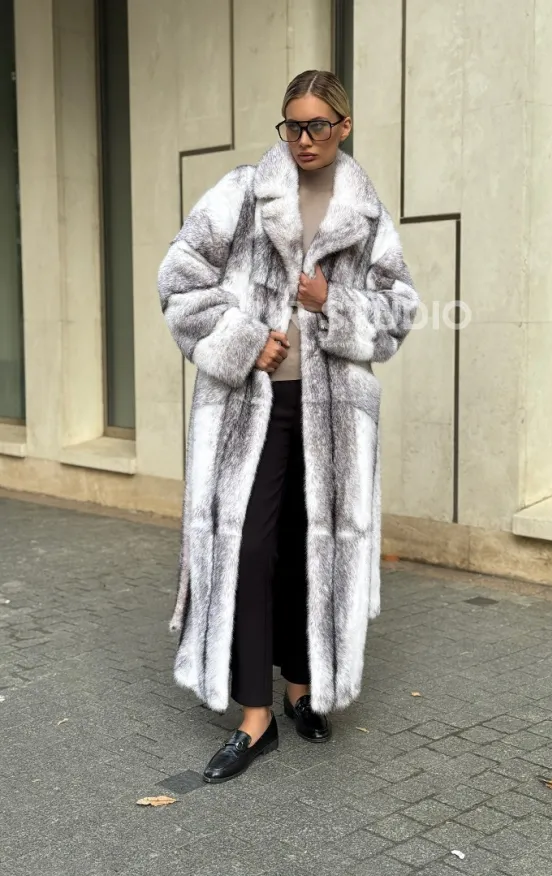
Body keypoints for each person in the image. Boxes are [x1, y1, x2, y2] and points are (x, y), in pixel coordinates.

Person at [158, 69, 419, 784]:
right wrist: (246, 340)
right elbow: (179, 280)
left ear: (344, 126)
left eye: (317, 126)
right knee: (249, 547)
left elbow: (400, 309)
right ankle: (254, 716)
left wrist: (333, 301)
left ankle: (302, 689)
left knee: (312, 547)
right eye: (293, 125)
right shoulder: (243, 193)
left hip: (333, 414)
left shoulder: (364, 211)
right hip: (251, 407)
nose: (303, 139)